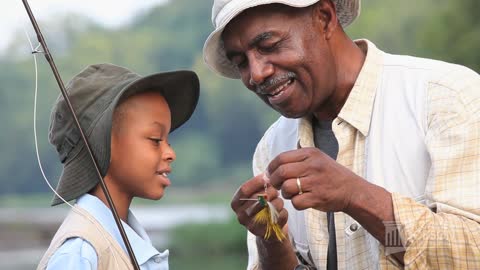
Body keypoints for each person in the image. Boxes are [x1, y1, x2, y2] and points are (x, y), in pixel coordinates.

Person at [203, 0, 480, 269]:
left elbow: (471, 257)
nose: (257, 74)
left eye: (269, 45)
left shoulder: (446, 100)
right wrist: (272, 241)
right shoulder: (272, 148)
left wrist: (356, 197)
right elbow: (398, 246)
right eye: (241, 62)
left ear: (324, 17)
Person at [36, 63, 200, 270]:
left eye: (168, 141)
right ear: (103, 144)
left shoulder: (126, 240)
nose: (170, 153)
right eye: (155, 139)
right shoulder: (80, 254)